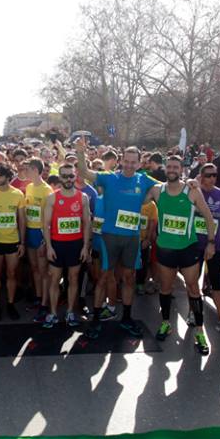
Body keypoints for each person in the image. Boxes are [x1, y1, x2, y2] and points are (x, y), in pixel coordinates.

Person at [76, 138, 158, 338]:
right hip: (110, 237)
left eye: (133, 162)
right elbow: (85, 172)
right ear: (121, 160)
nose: (129, 165)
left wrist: (190, 184)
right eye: (126, 161)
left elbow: (167, 187)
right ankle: (96, 319)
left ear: (139, 163)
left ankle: (127, 318)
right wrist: (80, 152)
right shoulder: (109, 178)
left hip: (132, 238)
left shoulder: (144, 180)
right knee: (104, 277)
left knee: (129, 278)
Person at [145, 156, 216, 352]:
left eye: (175, 167)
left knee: (193, 288)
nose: (172, 170)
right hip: (165, 249)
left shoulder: (192, 191)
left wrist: (211, 243)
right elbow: (138, 199)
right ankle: (166, 323)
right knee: (165, 288)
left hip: (187, 248)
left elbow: (209, 217)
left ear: (181, 169)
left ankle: (200, 331)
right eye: (169, 166)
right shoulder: (157, 190)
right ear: (165, 168)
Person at [41, 163, 91, 328]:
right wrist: (49, 246)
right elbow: (46, 225)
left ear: (75, 176)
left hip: (75, 244)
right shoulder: (52, 198)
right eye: (64, 176)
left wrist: (85, 247)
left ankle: (70, 311)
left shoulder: (83, 197)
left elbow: (87, 224)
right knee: (54, 279)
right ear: (59, 177)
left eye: (71, 176)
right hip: (57, 244)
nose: (68, 179)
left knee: (73, 279)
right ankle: (53, 313)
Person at [193, 163, 220, 341]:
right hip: (195, 245)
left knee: (217, 284)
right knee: (192, 282)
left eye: (214, 175)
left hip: (215, 247)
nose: (212, 178)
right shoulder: (193, 192)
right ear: (201, 176)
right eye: (208, 175)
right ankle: (193, 312)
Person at [0, 163, 26, 321]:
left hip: (13, 241)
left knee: (11, 274)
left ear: (8, 177)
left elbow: (22, 220)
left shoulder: (18, 194)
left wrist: (22, 243)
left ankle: (10, 303)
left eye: (0, 175)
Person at [21, 158, 53, 320]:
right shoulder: (29, 187)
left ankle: (45, 304)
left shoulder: (47, 190)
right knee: (34, 268)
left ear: (35, 170)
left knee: (43, 270)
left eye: (27, 169)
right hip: (29, 232)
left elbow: (49, 220)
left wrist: (45, 241)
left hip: (41, 234)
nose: (25, 172)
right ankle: (39, 298)